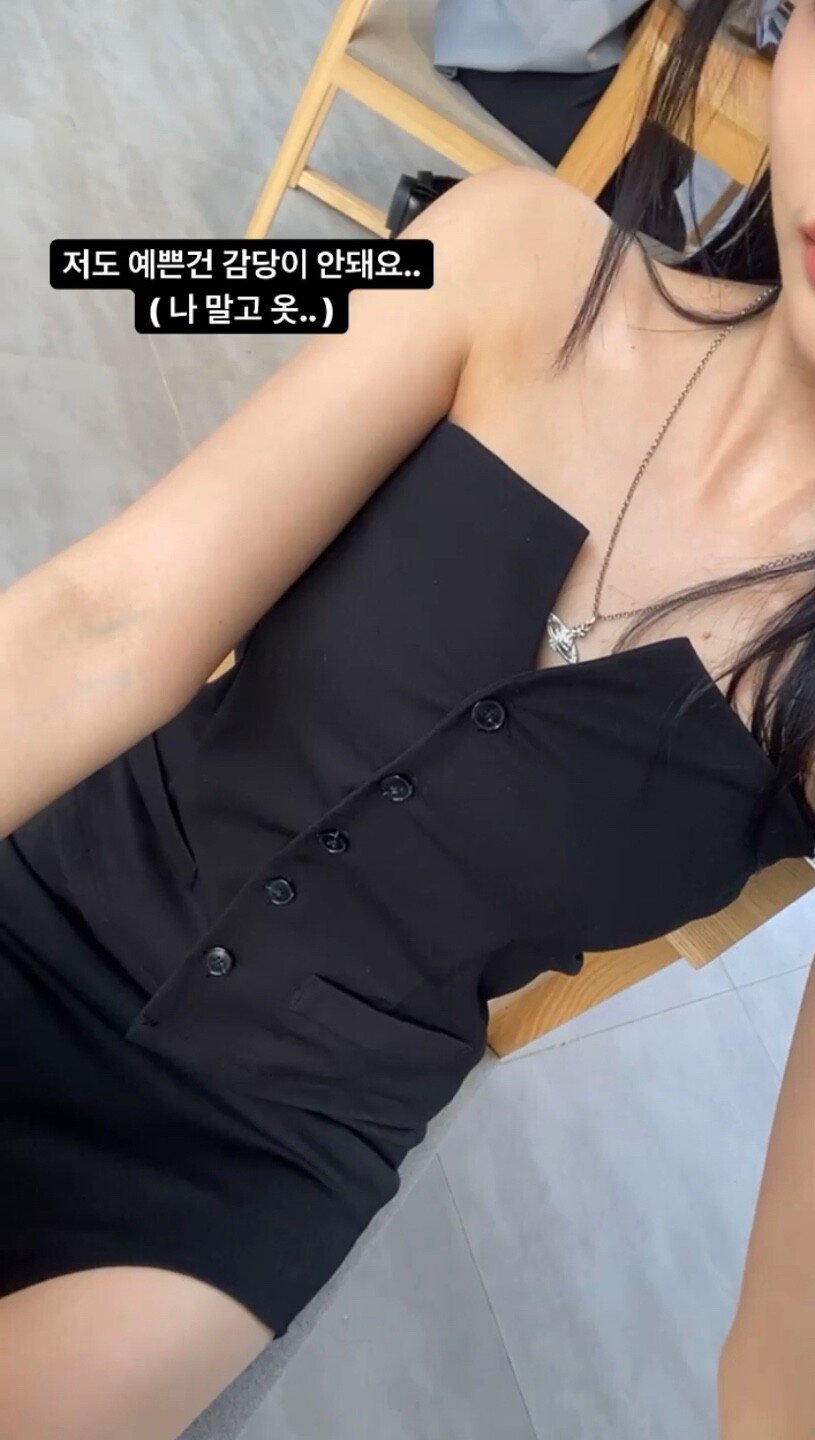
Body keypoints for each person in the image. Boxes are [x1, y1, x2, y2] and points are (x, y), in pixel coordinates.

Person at [2, 1, 815, 1436]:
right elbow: (101, 622)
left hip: (254, 1149)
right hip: (57, 890)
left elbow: (783, 1358)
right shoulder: (510, 255)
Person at [429, 0, 693, 250]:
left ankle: (453, 236)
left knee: (668, 161)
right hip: (520, 53)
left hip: (534, 39)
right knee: (658, 230)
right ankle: (452, 241)